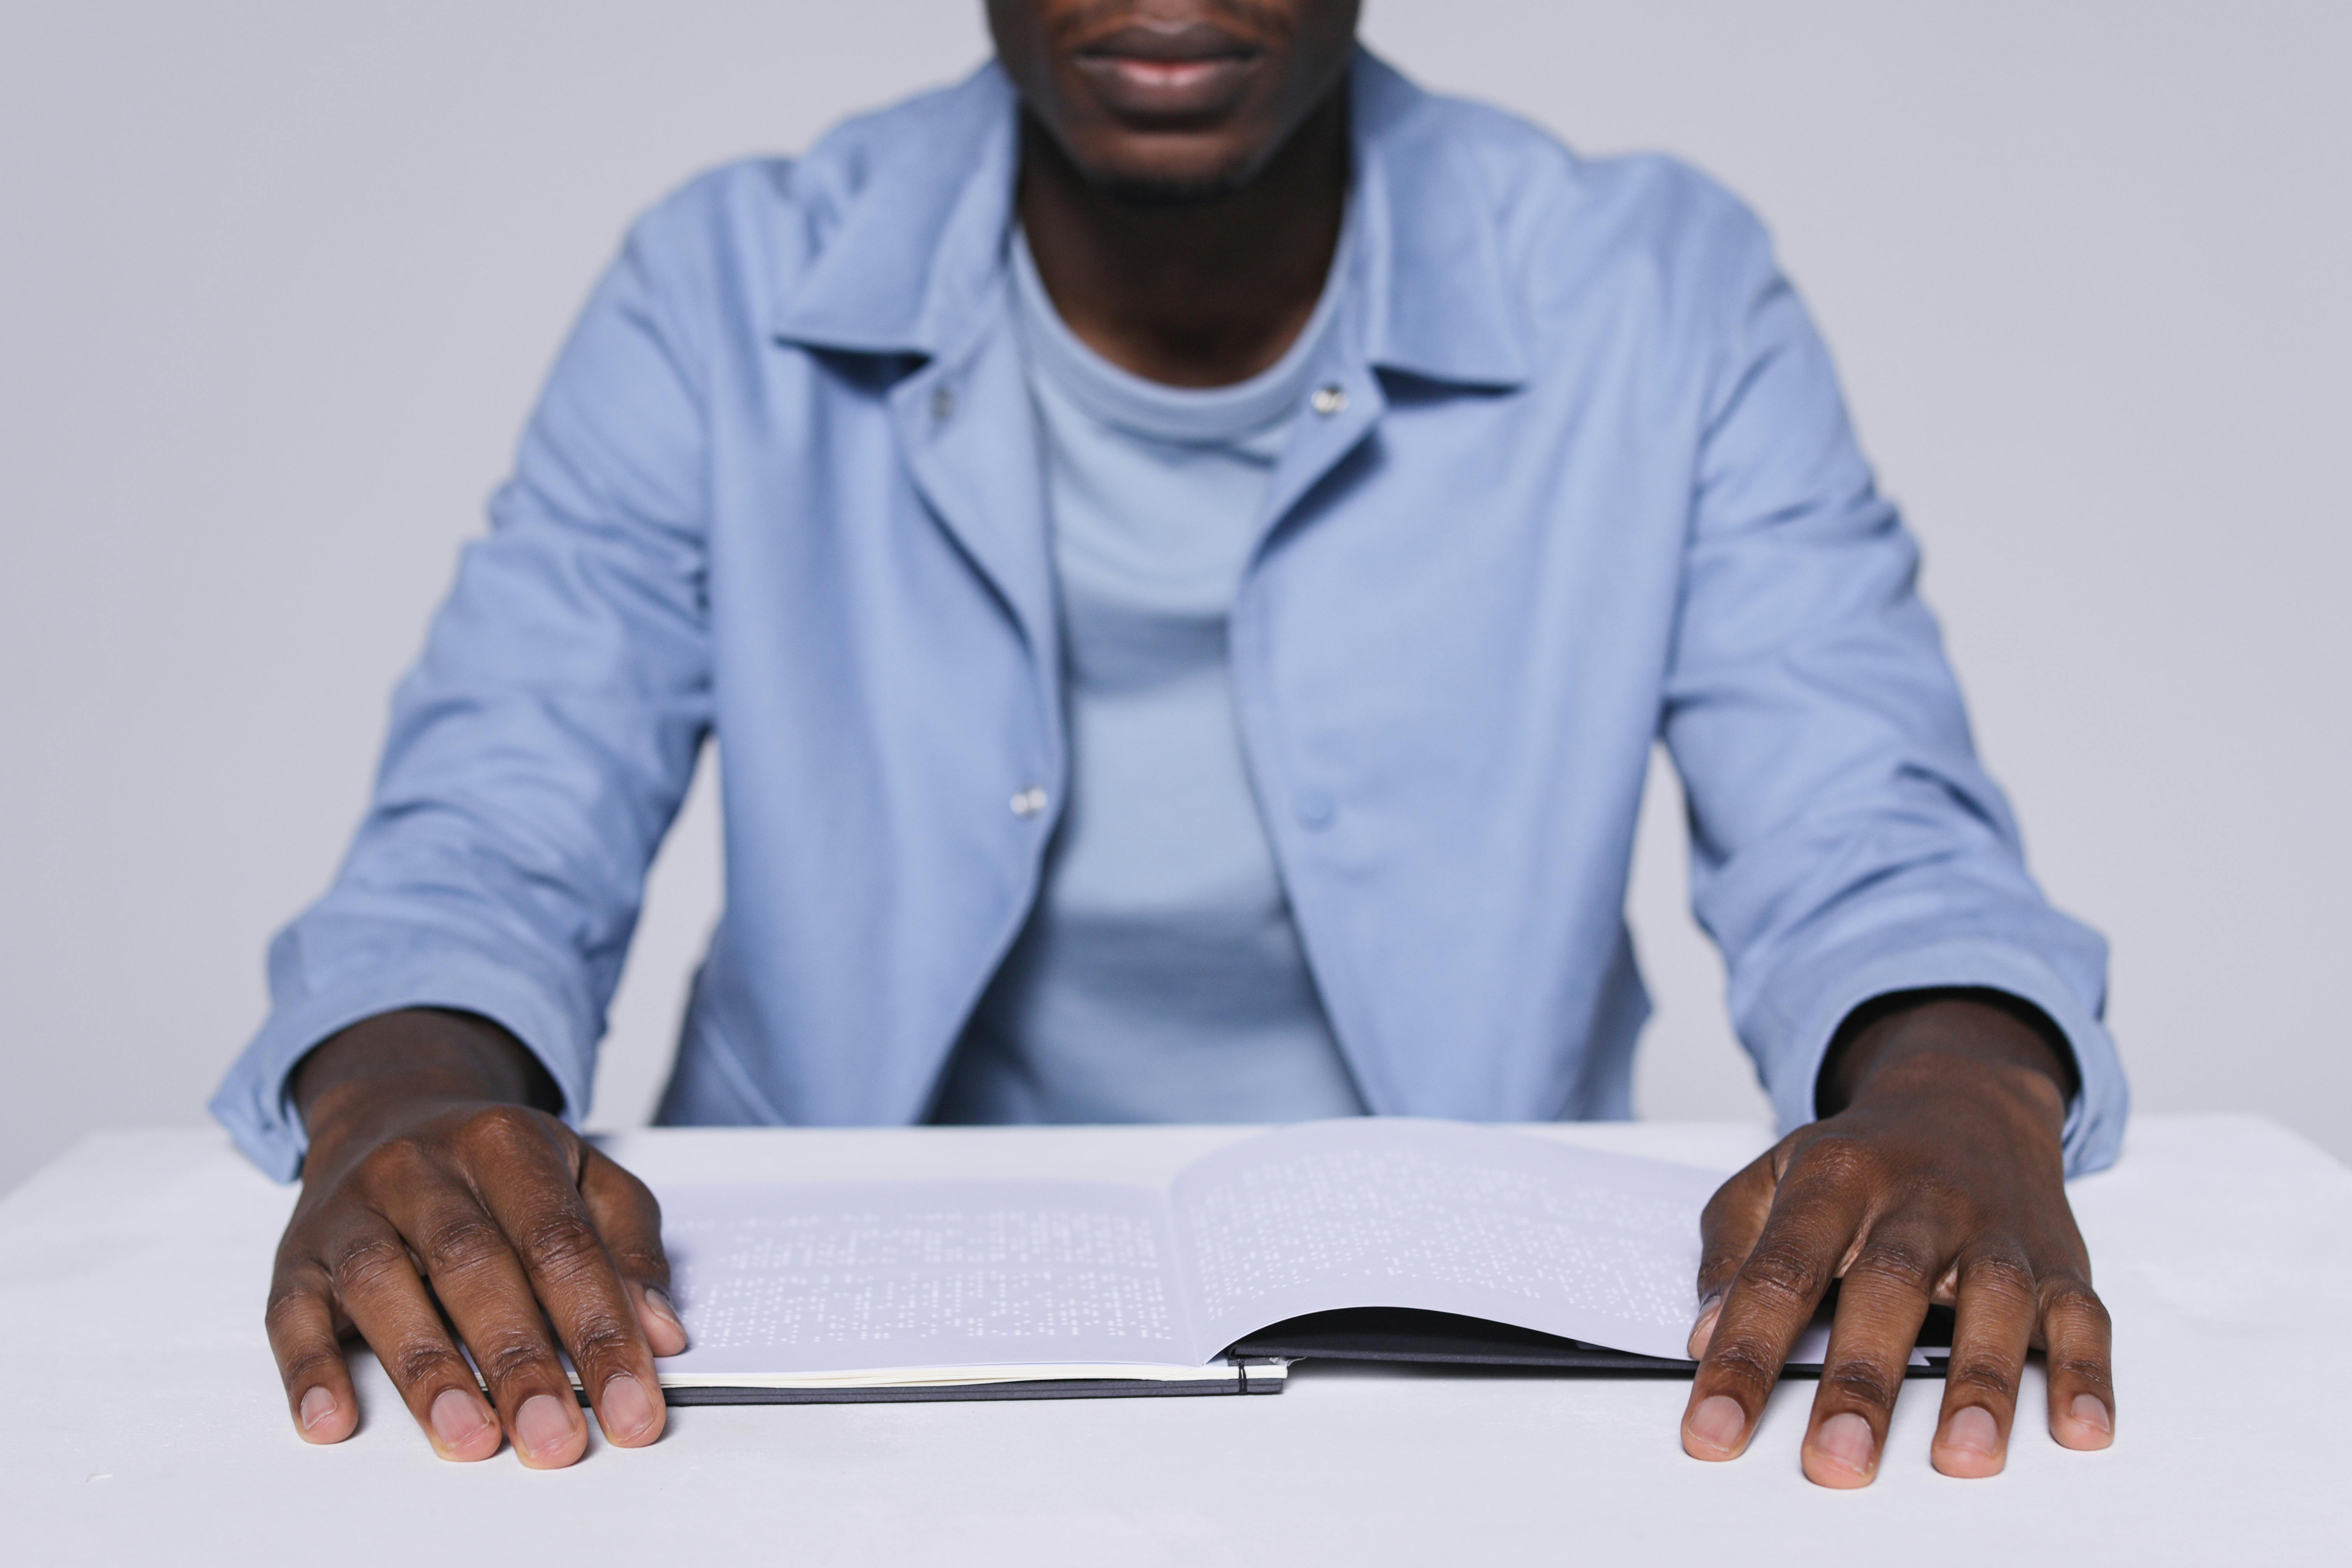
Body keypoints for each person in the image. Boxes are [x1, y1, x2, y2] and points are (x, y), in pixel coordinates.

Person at [212, 0, 2126, 1487]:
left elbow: (1862, 815)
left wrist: (1964, 1088)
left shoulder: (1655, 288)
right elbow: (495, 817)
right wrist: (399, 1099)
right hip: (792, 1373)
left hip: (1472, 1377)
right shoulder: (721, 287)